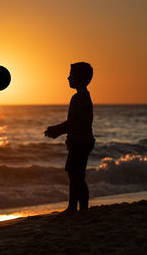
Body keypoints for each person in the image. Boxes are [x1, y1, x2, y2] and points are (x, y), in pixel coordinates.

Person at [44, 62, 95, 214]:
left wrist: (57, 130)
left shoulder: (78, 98)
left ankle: (79, 208)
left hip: (81, 142)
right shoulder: (84, 96)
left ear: (80, 78)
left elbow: (74, 122)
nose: (68, 78)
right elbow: (75, 122)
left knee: (76, 176)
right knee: (75, 174)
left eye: (71, 75)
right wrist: (62, 131)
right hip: (83, 141)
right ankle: (75, 207)